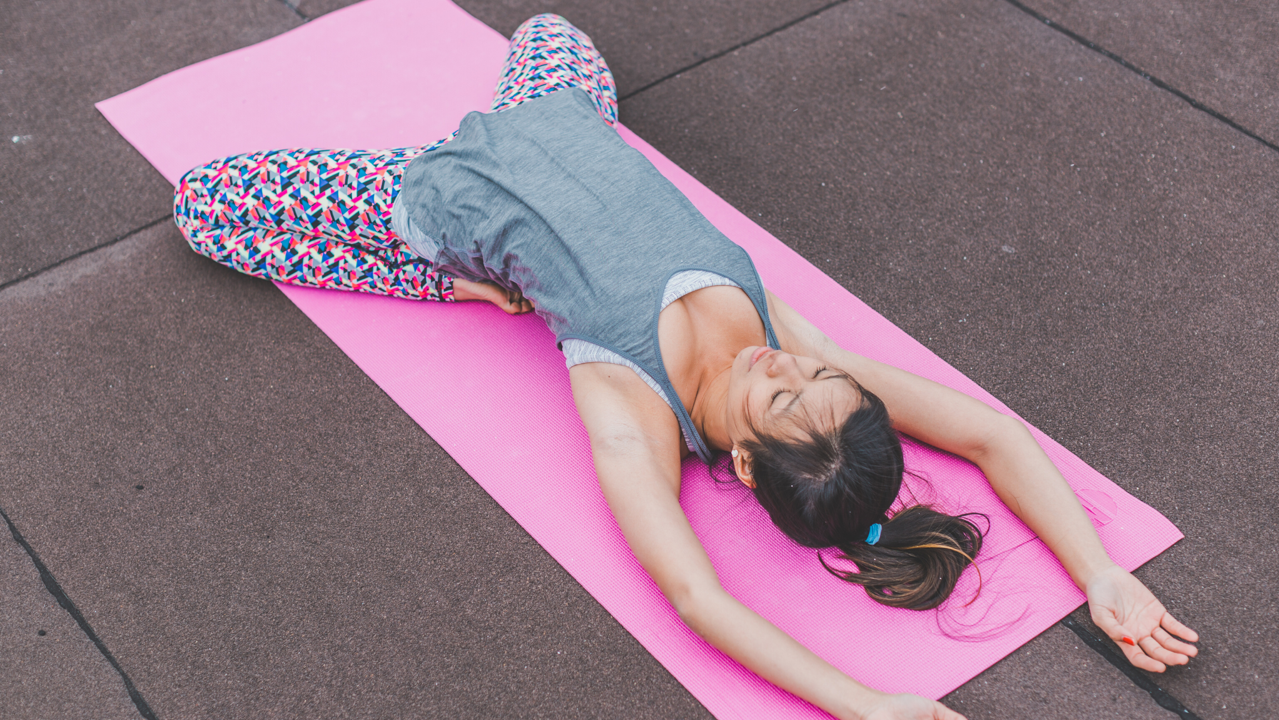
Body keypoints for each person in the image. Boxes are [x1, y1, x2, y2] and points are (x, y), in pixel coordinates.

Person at [173, 15, 1197, 720]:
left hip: (436, 199)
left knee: (202, 208)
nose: (778, 360)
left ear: (746, 463)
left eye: (778, 392)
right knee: (547, 32)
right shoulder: (808, 358)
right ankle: (478, 256)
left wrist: (867, 703)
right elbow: (986, 434)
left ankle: (448, 283)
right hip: (563, 120)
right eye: (807, 375)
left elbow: (699, 598)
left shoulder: (630, 410)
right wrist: (1098, 571)